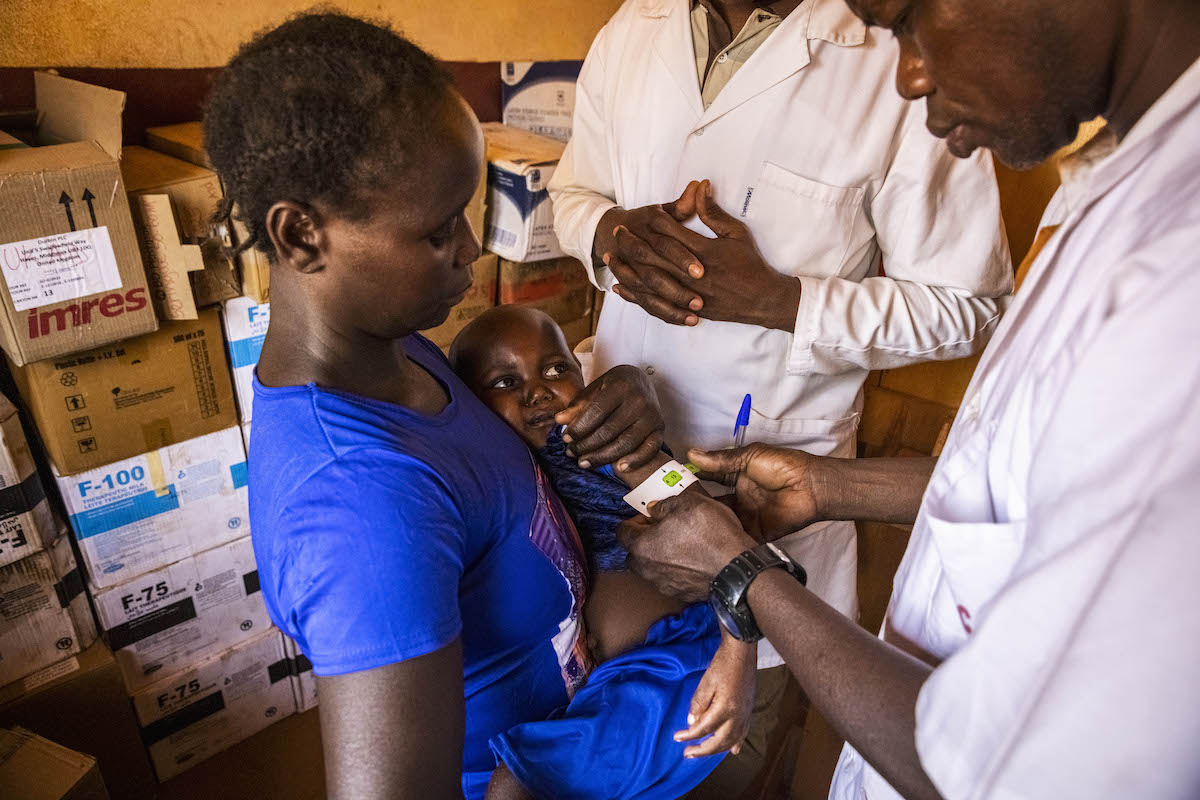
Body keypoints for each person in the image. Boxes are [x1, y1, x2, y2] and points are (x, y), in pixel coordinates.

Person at [619, 0, 1200, 797]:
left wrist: (742, 573)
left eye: (909, 20)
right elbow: (1050, 484)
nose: (909, 74)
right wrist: (832, 487)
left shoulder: (1178, 274)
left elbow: (1006, 767)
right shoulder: (1120, 178)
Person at [548, 1, 1013, 789]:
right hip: (613, 482)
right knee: (601, 739)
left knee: (727, 758)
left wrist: (784, 302)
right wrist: (606, 235)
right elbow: (572, 192)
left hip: (773, 516)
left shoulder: (893, 55)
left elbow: (969, 303)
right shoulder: (634, 28)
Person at [204, 15, 669, 799]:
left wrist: (619, 387)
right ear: (300, 235)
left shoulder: (394, 348)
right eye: (435, 230)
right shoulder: (360, 504)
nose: (470, 248)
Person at [451, 304, 755, 798]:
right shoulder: (495, 479)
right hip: (604, 691)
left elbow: (714, 530)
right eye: (504, 382)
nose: (538, 391)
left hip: (676, 668)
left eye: (556, 369)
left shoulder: (614, 452)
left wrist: (737, 655)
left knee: (514, 783)